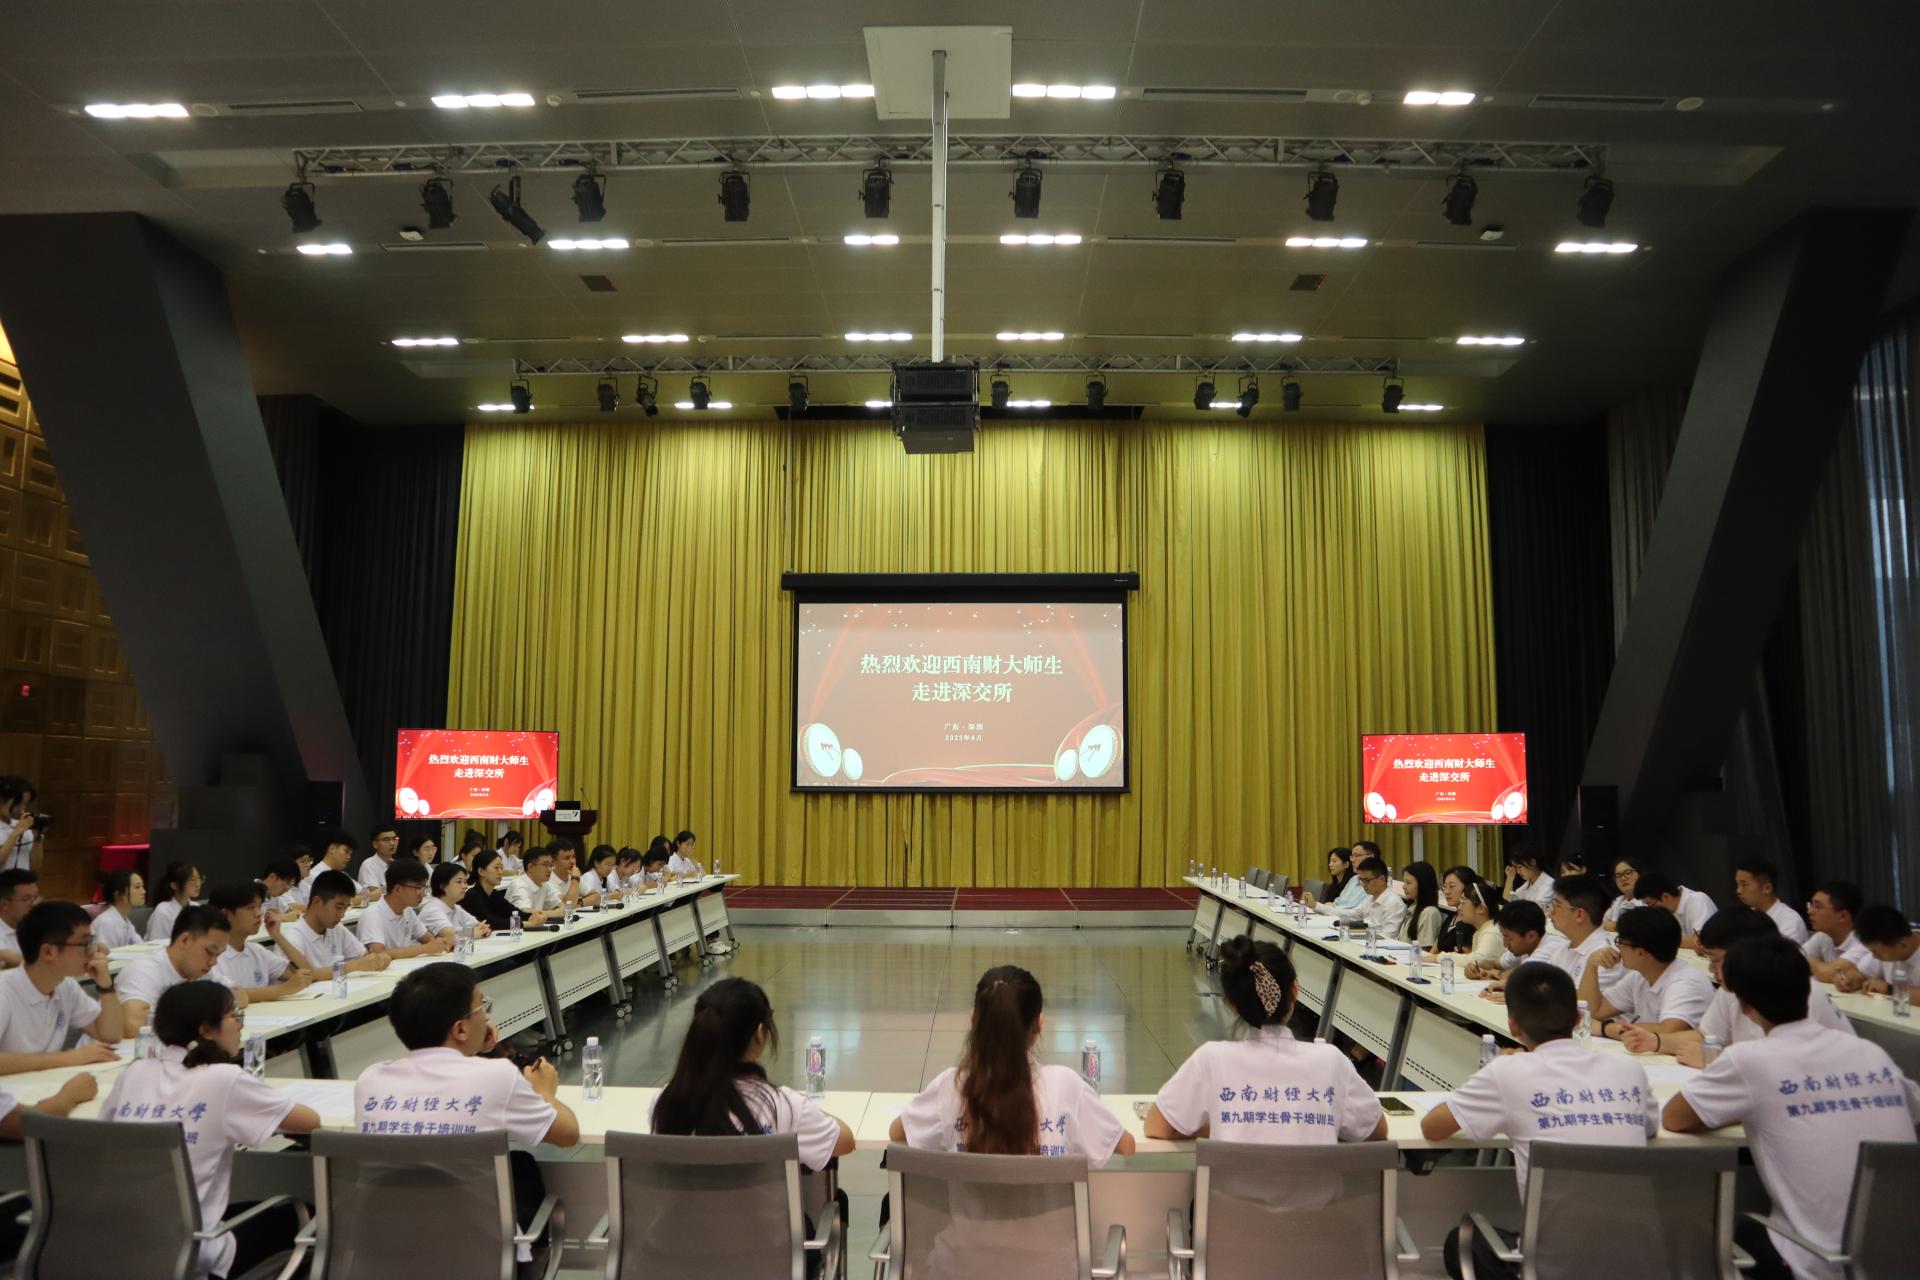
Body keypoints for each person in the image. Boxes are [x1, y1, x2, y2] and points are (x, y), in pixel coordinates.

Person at [1664, 937, 1920, 1280]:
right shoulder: (1871, 1053)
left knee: (1712, 1227)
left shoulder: (1749, 1060)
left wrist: (1748, 1109)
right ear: (1808, 989)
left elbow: (1675, 1119)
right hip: (1902, 1257)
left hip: (1816, 1263)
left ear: (1743, 1004)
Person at [1422, 962, 1659, 1280]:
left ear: (1513, 1026)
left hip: (1551, 1269)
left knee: (1460, 1243)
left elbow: (1432, 1127)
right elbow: (1649, 1127)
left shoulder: (1507, 1072)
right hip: (1641, 1265)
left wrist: (1493, 1073)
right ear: (1578, 1018)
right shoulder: (1628, 1069)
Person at [354, 962, 579, 1264]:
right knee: (521, 1165)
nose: (486, 1016)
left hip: (386, 1252)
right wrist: (545, 1091)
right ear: (460, 1028)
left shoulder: (370, 1080)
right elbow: (567, 1134)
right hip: (479, 1255)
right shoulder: (497, 1075)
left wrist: (471, 1049)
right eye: (482, 1007)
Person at [102, 981, 319, 1279]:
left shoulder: (134, 1072)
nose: (240, 1025)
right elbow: (310, 1122)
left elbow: (105, 1130)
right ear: (206, 1030)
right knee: (305, 1214)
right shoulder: (224, 1078)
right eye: (234, 1016)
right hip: (197, 1253)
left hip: (124, 1244)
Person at [1146, 936, 1386, 1143]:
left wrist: (1218, 1125)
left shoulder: (1210, 1059)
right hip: (1316, 1186)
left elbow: (1157, 1126)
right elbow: (1376, 1129)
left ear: (1231, 1004)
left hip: (1233, 1186)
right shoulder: (1331, 1061)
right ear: (1295, 991)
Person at [891, 965, 1135, 1161]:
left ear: (974, 1020)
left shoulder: (951, 1086)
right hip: (1047, 1213)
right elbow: (1125, 1146)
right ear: (1039, 1024)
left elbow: (898, 1132)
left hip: (970, 1213)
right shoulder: (1066, 1086)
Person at [653, 977, 856, 1165]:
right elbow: (845, 1142)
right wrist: (804, 1103)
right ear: (759, 1034)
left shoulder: (665, 1102)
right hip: (760, 1196)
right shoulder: (783, 1104)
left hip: (687, 1195)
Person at [1664, 908, 1853, 1067]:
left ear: (1744, 953)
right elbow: (1705, 1036)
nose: (1711, 969)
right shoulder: (1731, 990)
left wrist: (1715, 1060)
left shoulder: (1801, 992)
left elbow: (1792, 1066)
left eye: (1715, 959)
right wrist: (1654, 1040)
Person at [0, 901, 126, 1073]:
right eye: (85, 944)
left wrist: (106, 986)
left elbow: (111, 1035)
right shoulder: (4, 992)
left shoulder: (65, 986)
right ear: (48, 952)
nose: (93, 952)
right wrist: (68, 1058)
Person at [1579, 906, 1715, 1053]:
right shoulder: (1640, 976)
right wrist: (1591, 966)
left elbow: (1668, 1031)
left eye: (1620, 942)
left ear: (1640, 952)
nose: (1618, 948)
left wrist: (1606, 1028)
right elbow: (1594, 1011)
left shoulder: (1685, 982)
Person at [119, 906, 237, 1028]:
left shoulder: (202, 972)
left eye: (218, 955)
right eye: (209, 951)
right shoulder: (143, 970)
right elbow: (133, 1023)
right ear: (185, 940)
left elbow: (236, 995)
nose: (213, 962)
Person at [207, 883, 312, 1003]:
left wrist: (277, 935)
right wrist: (284, 989)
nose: (259, 913)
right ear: (226, 914)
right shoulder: (210, 958)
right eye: (250, 908)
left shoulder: (257, 951)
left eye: (260, 906)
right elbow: (229, 995)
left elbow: (306, 974)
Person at [276, 870, 392, 976]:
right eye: (338, 907)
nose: (342, 915)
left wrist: (377, 960)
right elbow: (303, 977)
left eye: (346, 908)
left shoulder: (336, 928)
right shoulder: (292, 936)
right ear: (317, 902)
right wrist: (353, 966)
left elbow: (363, 956)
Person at [355, 858, 453, 959]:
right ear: (397, 889)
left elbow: (428, 939)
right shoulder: (372, 915)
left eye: (424, 887)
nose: (423, 894)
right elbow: (378, 954)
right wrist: (425, 949)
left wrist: (439, 944)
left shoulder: (407, 911)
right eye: (418, 888)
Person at [1803, 881, 1887, 990]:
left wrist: (1810, 960)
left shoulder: (1864, 942)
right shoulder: (1823, 936)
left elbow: (1828, 974)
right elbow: (1793, 959)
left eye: (1818, 907)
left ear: (1843, 916)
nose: (1810, 911)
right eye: (1811, 905)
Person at [1474, 900, 1567, 993]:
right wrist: (1476, 968)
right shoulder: (1526, 946)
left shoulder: (1551, 948)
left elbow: (1520, 977)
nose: (1505, 944)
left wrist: (1498, 974)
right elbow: (1494, 963)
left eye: (1508, 937)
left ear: (1531, 936)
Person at [1544, 874, 1618, 987]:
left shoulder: (1607, 954)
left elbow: (1583, 998)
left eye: (1557, 905)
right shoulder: (1563, 950)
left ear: (1579, 914)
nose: (1550, 910)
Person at [1318, 855, 1407, 936]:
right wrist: (1317, 906)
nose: (1363, 884)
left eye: (1366, 880)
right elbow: (1350, 914)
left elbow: (1389, 936)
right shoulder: (1370, 898)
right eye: (1361, 880)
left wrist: (1358, 933)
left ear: (1381, 879)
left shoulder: (1394, 903)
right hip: (1366, 941)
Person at [1633, 870, 1715, 950]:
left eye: (1651, 905)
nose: (1651, 910)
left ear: (1665, 897)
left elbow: (1702, 942)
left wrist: (1662, 940)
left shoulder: (1697, 900)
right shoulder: (1666, 911)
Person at [1849, 905, 1920, 995]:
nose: (1874, 956)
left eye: (1876, 952)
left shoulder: (1891, 941)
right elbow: (1860, 972)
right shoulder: (1886, 946)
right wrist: (1849, 980)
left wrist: (1889, 989)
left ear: (1903, 944)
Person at [1735, 858, 1808, 944]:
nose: (1738, 891)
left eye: (1744, 884)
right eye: (1738, 884)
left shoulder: (1789, 920)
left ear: (1767, 888)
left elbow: (1784, 952)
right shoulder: (1745, 917)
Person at [1438, 878, 1505, 968]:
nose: (1459, 907)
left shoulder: (1492, 931)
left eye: (1463, 902)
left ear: (1481, 908)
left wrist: (1442, 957)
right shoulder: (1481, 930)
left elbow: (1479, 960)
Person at [420, 862, 490, 943]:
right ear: (443, 886)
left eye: (465, 882)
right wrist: (473, 933)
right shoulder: (432, 910)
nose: (465, 886)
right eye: (459, 882)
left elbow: (481, 927)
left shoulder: (456, 908)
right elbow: (450, 938)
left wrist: (481, 930)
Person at [297, 832, 367, 908]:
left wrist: (362, 897)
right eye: (346, 851)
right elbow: (335, 902)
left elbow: (364, 893)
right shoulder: (316, 875)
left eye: (350, 854)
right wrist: (361, 898)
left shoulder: (343, 875)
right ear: (332, 849)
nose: (349, 857)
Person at [145, 860, 202, 943]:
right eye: (192, 880)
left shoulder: (196, 907)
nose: (197, 884)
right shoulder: (163, 911)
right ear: (174, 885)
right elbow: (156, 945)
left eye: (198, 878)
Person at [503, 847, 564, 924]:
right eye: (545, 865)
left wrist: (549, 913)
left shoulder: (544, 884)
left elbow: (561, 906)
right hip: (514, 929)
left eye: (551, 865)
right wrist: (556, 913)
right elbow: (525, 913)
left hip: (533, 927)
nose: (550, 869)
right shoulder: (519, 885)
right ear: (530, 867)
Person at [461, 850, 517, 931]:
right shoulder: (473, 895)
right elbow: (490, 923)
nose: (501, 872)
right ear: (481, 871)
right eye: (496, 868)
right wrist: (521, 923)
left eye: (501, 868)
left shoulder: (494, 894)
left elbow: (515, 912)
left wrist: (533, 916)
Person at [91, 868, 146, 950]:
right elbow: (106, 955)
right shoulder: (106, 923)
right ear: (119, 894)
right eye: (137, 887)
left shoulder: (125, 921)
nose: (143, 891)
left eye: (142, 887)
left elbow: (141, 948)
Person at [1300, 847, 1365, 913]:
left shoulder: (1354, 882)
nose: (1330, 865)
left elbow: (1347, 909)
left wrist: (1318, 905)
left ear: (1346, 864)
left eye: (1334, 861)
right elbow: (1333, 904)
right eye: (1330, 861)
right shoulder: (1334, 885)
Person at [0, 777, 43, 875]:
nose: (22, 809)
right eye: (18, 804)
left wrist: (37, 838)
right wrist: (15, 833)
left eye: (25, 804)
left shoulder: (23, 826)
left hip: (21, 883)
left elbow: (34, 865)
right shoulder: (20, 828)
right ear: (1, 799)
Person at [1398, 863, 1444, 948]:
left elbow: (1424, 949)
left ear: (1422, 884)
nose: (1404, 886)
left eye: (1408, 883)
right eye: (1404, 882)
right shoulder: (1413, 906)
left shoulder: (1429, 913)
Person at [0, 868, 38, 966]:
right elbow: (4, 959)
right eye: (26, 899)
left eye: (35, 897)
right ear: (4, 904)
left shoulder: (34, 922)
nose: (34, 904)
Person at [1603, 855, 1644, 929]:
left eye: (1628, 873)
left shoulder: (1648, 901)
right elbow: (1602, 923)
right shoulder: (1618, 900)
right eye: (1618, 875)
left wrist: (1614, 925)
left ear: (1640, 874)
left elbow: (1637, 928)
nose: (1623, 878)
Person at [357, 824, 401, 893]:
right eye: (386, 839)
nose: (392, 843)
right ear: (375, 844)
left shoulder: (397, 865)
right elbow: (374, 894)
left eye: (394, 839)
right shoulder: (368, 865)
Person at [259, 858, 303, 922]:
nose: (287, 889)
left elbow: (298, 913)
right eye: (287, 883)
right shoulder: (249, 895)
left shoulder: (276, 897)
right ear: (272, 877)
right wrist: (282, 917)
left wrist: (283, 916)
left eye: (290, 886)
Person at [550, 836, 584, 907]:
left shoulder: (573, 874)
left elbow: (596, 897)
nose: (572, 862)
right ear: (553, 861)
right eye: (566, 858)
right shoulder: (547, 879)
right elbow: (568, 906)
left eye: (573, 857)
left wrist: (579, 903)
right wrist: (575, 880)